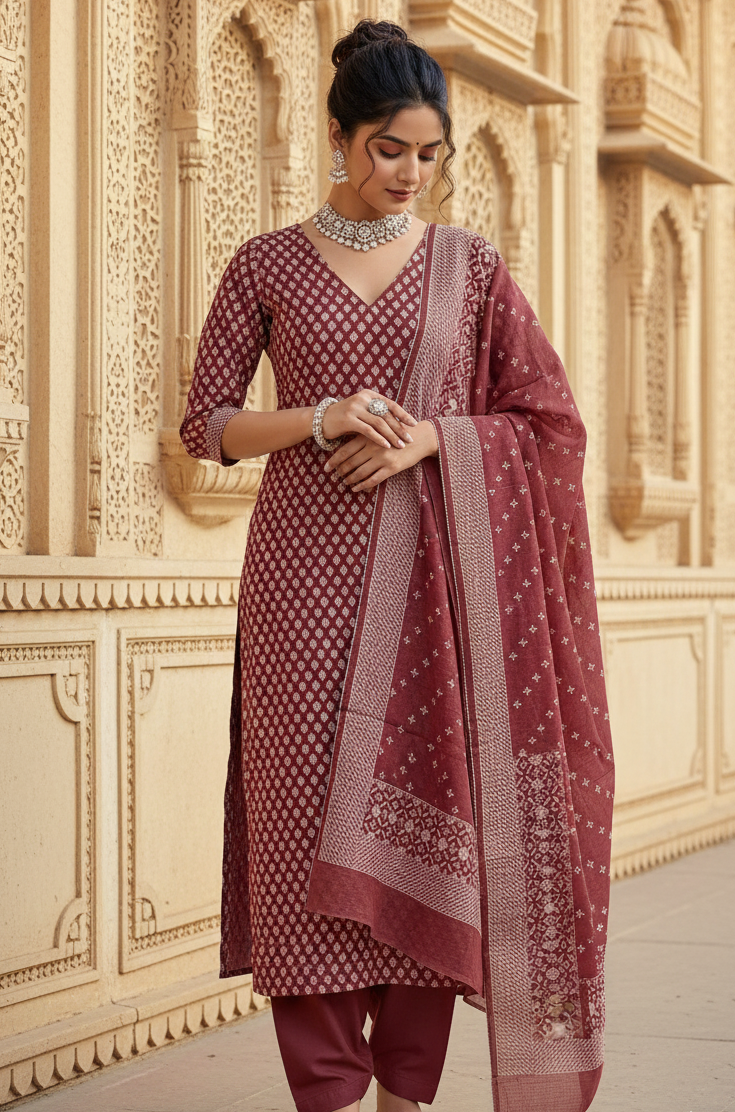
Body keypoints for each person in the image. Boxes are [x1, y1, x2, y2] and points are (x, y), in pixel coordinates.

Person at [180, 19, 614, 1112]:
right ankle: (327, 1096)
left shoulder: (471, 271)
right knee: (298, 846)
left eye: (429, 155)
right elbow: (206, 424)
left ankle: (405, 1097)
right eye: (387, 150)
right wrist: (318, 415)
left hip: (437, 594)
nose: (408, 176)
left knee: (431, 824)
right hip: (297, 592)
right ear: (337, 137)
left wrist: (438, 437)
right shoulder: (266, 263)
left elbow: (548, 418)